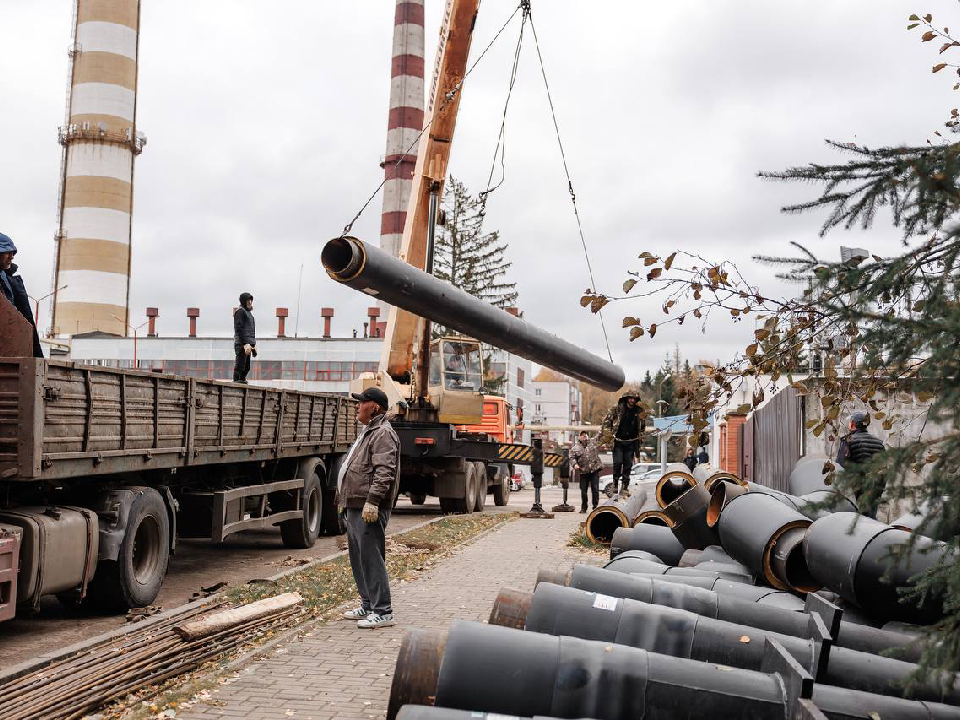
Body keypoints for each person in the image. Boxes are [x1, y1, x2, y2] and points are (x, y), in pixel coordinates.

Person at [338, 386, 400, 629]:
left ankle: (383, 611)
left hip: (368, 507)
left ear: (374, 407)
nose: (357, 406)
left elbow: (385, 471)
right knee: (360, 558)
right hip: (356, 505)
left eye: (361, 402)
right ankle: (368, 604)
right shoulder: (369, 431)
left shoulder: (383, 433)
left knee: (371, 559)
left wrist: (373, 502)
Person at [0, 233, 43, 358]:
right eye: (7, 252)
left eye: (13, 253)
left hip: (11, 349)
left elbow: (26, 321)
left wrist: (37, 357)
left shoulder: (11, 281)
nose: (11, 257)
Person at [836, 411, 886, 518]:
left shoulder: (848, 440)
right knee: (871, 518)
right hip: (876, 488)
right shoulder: (878, 442)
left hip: (857, 489)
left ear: (853, 424)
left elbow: (840, 466)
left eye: (850, 422)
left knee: (859, 521)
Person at [601, 392, 646, 496]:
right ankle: (615, 483)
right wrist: (608, 435)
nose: (632, 400)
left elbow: (643, 426)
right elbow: (607, 422)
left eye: (634, 399)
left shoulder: (639, 411)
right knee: (617, 462)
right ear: (626, 398)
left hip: (631, 442)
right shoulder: (617, 409)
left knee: (628, 465)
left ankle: (625, 486)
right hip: (618, 441)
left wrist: (641, 436)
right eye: (630, 398)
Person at [571, 430, 603, 513]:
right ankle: (584, 507)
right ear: (579, 437)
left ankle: (595, 507)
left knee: (595, 489)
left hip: (594, 470)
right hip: (583, 472)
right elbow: (572, 458)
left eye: (585, 434)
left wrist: (604, 423)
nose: (584, 436)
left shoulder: (593, 442)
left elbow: (600, 434)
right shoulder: (575, 448)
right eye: (582, 435)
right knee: (583, 491)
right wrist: (575, 464)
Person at [233, 292, 256, 383]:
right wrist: (245, 343)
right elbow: (239, 328)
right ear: (243, 301)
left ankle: (242, 380)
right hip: (242, 343)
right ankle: (237, 381)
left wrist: (253, 345)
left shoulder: (249, 313)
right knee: (240, 364)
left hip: (249, 343)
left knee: (247, 367)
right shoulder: (240, 311)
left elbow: (250, 330)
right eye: (248, 300)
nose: (250, 302)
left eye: (250, 300)